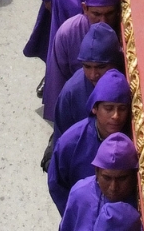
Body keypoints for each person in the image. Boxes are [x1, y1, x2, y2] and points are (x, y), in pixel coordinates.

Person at [48, 68, 129, 211]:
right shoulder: (70, 142)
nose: (116, 116)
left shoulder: (136, 142)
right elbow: (57, 184)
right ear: (95, 108)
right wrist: (75, 212)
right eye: (109, 108)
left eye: (122, 109)